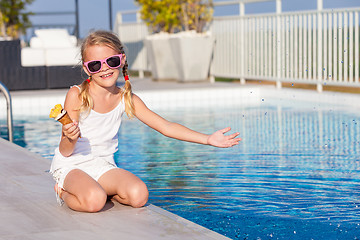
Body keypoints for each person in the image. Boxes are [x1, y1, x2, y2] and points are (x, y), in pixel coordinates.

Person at [50, 30, 241, 213]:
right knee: (94, 201)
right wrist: (70, 137)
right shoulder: (76, 95)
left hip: (103, 166)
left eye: (111, 61)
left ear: (122, 60)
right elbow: (66, 151)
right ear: (86, 68)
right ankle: (64, 192)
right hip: (73, 165)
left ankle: (100, 189)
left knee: (139, 195)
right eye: (95, 65)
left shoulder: (126, 99)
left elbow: (165, 126)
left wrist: (207, 139)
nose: (105, 68)